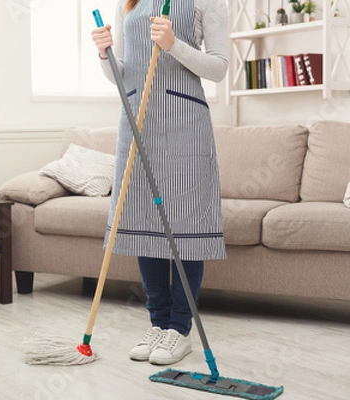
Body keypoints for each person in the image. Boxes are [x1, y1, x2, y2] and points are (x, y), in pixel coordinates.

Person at [91, 0, 229, 365]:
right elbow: (124, 73)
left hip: (185, 123)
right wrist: (104, 55)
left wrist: (174, 45)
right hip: (138, 119)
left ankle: (179, 329)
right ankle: (158, 323)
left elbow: (218, 68)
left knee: (185, 222)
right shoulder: (130, 5)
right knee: (142, 219)